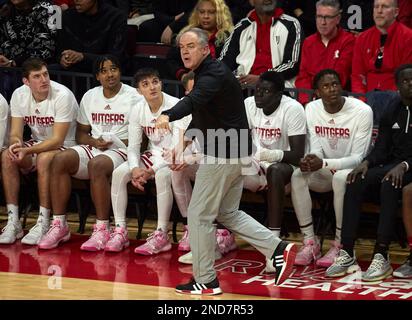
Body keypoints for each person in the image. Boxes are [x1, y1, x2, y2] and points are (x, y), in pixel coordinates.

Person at [154, 27, 297, 295]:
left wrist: (167, 115)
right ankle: (277, 248)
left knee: (198, 215)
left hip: (223, 153)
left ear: (206, 48)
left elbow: (192, 100)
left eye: (190, 46)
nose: (184, 51)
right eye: (181, 47)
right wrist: (183, 144)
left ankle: (206, 279)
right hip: (236, 153)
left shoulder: (213, 74)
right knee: (227, 213)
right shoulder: (210, 74)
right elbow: (202, 114)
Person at [38, 55, 140, 250]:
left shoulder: (134, 96)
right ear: (97, 76)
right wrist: (94, 141)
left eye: (114, 69)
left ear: (120, 71)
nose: (110, 74)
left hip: (123, 149)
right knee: (60, 159)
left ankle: (103, 228)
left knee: (97, 165)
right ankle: (60, 224)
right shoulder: (90, 96)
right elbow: (81, 134)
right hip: (96, 146)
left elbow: (141, 138)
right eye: (104, 71)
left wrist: (112, 141)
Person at [326, 64, 412, 281]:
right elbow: (381, 148)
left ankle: (381, 254)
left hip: (409, 167)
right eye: (405, 81)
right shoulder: (392, 108)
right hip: (392, 164)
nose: (410, 84)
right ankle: (347, 251)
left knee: (389, 183)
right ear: (397, 85)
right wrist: (366, 162)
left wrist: (404, 166)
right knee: (354, 180)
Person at [291, 69, 373, 268]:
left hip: (353, 172)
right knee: (297, 175)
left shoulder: (362, 111)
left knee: (339, 178)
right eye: (326, 86)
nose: (332, 89)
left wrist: (325, 163)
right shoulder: (311, 108)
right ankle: (310, 242)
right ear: (317, 92)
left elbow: (358, 158)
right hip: (326, 168)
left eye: (335, 84)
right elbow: (317, 148)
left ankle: (340, 244)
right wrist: (311, 159)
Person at [108, 68, 191, 254]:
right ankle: (120, 230)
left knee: (162, 176)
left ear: (161, 83)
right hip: (154, 155)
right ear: (139, 90)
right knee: (119, 173)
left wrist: (150, 171)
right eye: (145, 84)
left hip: (177, 155)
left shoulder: (176, 106)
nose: (152, 87)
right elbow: (133, 147)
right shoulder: (137, 109)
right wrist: (135, 168)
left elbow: (178, 149)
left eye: (155, 82)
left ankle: (162, 233)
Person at [0, 58, 78, 245]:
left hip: (67, 146)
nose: (44, 79)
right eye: (37, 76)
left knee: (43, 158)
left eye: (45, 74)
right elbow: (16, 132)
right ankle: (13, 221)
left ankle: (43, 220)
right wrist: (16, 145)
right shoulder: (19, 95)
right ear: (26, 82)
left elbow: (57, 140)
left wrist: (28, 151)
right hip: (38, 144)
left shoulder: (62, 95)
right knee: (7, 156)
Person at [242, 70, 306, 272]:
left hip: (287, 167)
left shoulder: (293, 109)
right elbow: (242, 142)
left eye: (265, 91)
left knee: (276, 171)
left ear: (279, 94)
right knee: (226, 166)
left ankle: (275, 245)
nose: (258, 95)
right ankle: (219, 235)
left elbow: (297, 154)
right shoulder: (249, 104)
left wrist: (267, 155)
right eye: (257, 90)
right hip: (257, 162)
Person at [219, 0, 302, 88]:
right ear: (251, 1)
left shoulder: (291, 24)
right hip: (243, 87)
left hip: (279, 88)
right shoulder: (242, 26)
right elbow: (225, 62)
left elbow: (292, 64)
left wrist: (264, 77)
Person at [295, 0, 355, 105]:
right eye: (319, 17)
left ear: (338, 19)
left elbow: (341, 76)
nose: (323, 22)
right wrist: (306, 101)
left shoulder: (348, 41)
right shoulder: (309, 42)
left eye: (328, 17)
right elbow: (303, 76)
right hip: (312, 99)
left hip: (338, 99)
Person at [351, 0, 412, 95]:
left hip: (397, 99)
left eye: (385, 7)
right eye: (376, 7)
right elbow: (357, 76)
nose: (379, 11)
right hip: (366, 100)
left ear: (396, 12)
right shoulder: (362, 38)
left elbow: (406, 77)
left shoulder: (408, 37)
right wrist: (361, 100)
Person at [167, 0, 234, 84]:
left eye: (211, 12)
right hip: (188, 84)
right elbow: (171, 60)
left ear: (220, 15)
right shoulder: (188, 34)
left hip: (218, 83)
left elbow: (228, 64)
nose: (206, 16)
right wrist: (183, 76)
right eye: (202, 12)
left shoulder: (229, 36)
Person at [55, 0, 127, 73]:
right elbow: (59, 50)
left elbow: (115, 58)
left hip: (105, 73)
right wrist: (62, 58)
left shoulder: (116, 17)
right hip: (72, 73)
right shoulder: (66, 16)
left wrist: (83, 57)